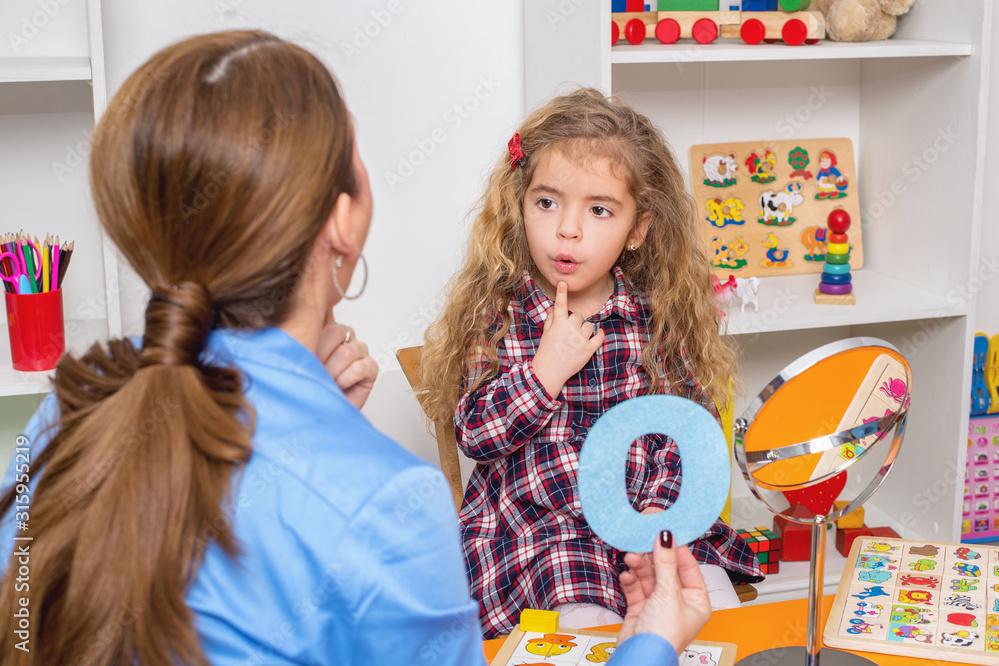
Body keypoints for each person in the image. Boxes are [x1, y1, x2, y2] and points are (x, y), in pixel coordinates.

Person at [0, 31, 711, 665]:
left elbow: (22, 624)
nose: (566, 229)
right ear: (345, 219)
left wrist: (308, 421)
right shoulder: (392, 502)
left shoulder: (67, 408)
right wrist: (648, 644)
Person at [420, 88, 763, 638]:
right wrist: (543, 372)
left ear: (638, 230)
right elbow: (476, 435)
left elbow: (686, 432)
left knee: (711, 611)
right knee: (587, 626)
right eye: (547, 202)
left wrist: (658, 513)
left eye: (599, 210)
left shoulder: (657, 317)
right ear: (521, 203)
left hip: (645, 522)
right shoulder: (496, 315)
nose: (567, 229)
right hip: (539, 536)